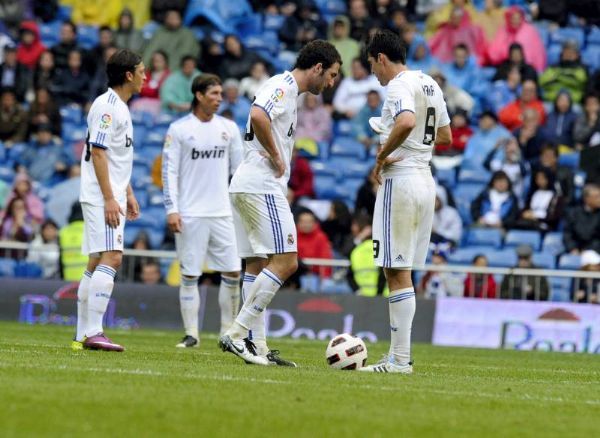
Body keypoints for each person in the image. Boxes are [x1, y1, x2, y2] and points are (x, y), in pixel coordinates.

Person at [222, 40, 341, 366]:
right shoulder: (283, 85)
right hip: (261, 184)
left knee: (256, 265)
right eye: (330, 75)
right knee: (287, 262)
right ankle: (236, 334)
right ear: (317, 67)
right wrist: (277, 156)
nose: (330, 83)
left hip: (246, 183)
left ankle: (255, 346)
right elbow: (258, 114)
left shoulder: (287, 91)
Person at [358, 30, 452, 374]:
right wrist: (415, 147)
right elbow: (445, 136)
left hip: (402, 182)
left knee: (394, 271)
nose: (374, 74)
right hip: (426, 180)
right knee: (402, 270)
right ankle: (400, 357)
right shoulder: (429, 83)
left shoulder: (397, 85)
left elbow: (407, 120)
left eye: (372, 66)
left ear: (381, 58)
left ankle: (399, 360)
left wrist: (382, 156)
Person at [162, 74, 243, 348]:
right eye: (214, 94)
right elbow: (169, 172)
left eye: (221, 93)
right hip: (190, 213)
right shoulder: (179, 129)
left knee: (232, 272)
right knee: (190, 275)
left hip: (223, 212)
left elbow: (239, 171)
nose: (220, 98)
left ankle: (227, 333)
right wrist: (172, 209)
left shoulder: (229, 128)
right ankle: (191, 334)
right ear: (199, 95)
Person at [72, 49, 144, 353]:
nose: (145, 76)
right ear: (128, 74)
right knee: (113, 257)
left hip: (109, 192)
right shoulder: (107, 106)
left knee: (95, 260)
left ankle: (81, 334)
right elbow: (98, 152)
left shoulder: (121, 108)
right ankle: (94, 331)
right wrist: (109, 198)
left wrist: (126, 193)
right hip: (101, 195)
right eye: (141, 70)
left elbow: (114, 157)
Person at [563, 184, 600, 255]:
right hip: (576, 250)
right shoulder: (573, 213)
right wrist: (572, 248)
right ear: (587, 199)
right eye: (597, 197)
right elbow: (567, 234)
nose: (599, 199)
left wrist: (588, 251)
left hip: (595, 252)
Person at [296, 209, 333, 278]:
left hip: (315, 275)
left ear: (314, 223)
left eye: (309, 222)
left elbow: (325, 258)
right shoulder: (293, 236)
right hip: (295, 274)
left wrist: (325, 278)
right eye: (303, 222)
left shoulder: (321, 237)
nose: (306, 225)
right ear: (298, 223)